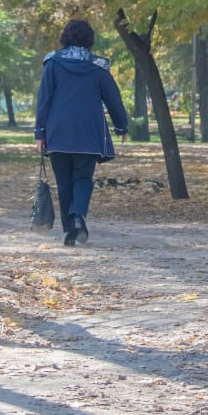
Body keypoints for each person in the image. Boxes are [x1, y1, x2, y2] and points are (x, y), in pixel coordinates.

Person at [34, 19, 128, 247]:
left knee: (63, 182)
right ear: (89, 39)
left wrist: (40, 132)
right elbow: (112, 98)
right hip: (89, 132)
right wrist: (121, 125)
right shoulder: (98, 66)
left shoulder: (53, 62)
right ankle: (78, 216)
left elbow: (44, 98)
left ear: (65, 37)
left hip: (57, 131)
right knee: (83, 177)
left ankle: (69, 231)